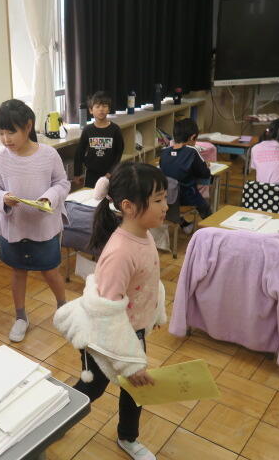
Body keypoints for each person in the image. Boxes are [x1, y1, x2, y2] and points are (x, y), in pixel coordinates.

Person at [54, 162, 168, 460]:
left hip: (130, 333)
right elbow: (105, 314)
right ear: (128, 206)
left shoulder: (143, 234)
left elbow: (146, 281)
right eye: (158, 200)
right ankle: (52, 419)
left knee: (135, 388)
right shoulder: (120, 253)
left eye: (165, 198)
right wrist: (130, 363)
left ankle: (128, 437)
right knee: (92, 389)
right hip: (105, 338)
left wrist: (153, 312)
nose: (166, 206)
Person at [0, 99, 70, 342]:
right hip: (15, 227)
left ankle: (63, 308)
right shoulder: (0, 158)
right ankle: (21, 316)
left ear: (28, 126)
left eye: (11, 132)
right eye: (1, 133)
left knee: (50, 270)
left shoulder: (48, 154)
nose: (5, 139)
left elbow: (62, 183)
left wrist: (49, 197)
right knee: (18, 271)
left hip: (43, 227)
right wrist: (3, 198)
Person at [159, 118, 212, 232]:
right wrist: (206, 166)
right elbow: (205, 174)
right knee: (205, 206)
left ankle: (184, 224)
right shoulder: (192, 151)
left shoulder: (164, 152)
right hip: (187, 197)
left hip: (168, 197)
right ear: (193, 137)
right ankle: (212, 229)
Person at [74, 91, 124, 188]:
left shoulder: (115, 129)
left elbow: (119, 152)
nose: (101, 109)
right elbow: (79, 152)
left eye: (104, 106)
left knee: (110, 195)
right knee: (91, 196)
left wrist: (111, 172)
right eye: (97, 106)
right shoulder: (87, 130)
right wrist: (77, 173)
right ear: (91, 110)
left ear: (109, 109)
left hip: (109, 174)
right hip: (91, 174)